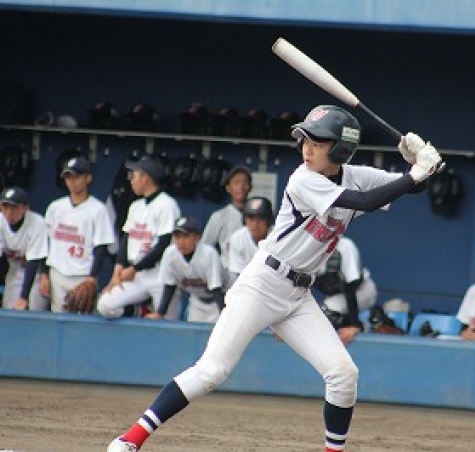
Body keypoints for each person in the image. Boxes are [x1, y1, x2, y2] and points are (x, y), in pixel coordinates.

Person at [107, 104, 442, 451]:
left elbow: (405, 188)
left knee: (344, 375)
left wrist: (419, 165)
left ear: (341, 149)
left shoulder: (356, 175)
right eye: (305, 140)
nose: (307, 149)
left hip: (299, 296)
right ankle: (130, 440)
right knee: (212, 371)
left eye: (317, 142)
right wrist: (415, 173)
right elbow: (366, 201)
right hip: (263, 283)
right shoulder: (302, 179)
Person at [97, 155, 182, 320]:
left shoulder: (167, 205)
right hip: (137, 276)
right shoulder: (135, 206)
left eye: (134, 175)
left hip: (161, 275)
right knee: (105, 305)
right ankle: (137, 312)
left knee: (167, 323)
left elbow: (163, 245)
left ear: (146, 178)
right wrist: (117, 271)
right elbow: (125, 241)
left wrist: (134, 269)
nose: (131, 180)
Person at [42, 155, 115, 313]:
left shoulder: (98, 209)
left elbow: (101, 247)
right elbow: (44, 243)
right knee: (58, 320)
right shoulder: (55, 207)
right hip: (57, 272)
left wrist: (92, 277)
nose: (72, 181)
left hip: (83, 276)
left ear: (88, 178)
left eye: (77, 177)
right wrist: (43, 274)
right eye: (68, 177)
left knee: (84, 320)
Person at [145, 217, 224, 323]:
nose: (181, 242)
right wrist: (160, 313)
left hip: (222, 300)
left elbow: (216, 290)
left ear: (197, 237)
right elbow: (169, 285)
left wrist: (225, 314)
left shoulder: (209, 254)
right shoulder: (170, 254)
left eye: (186, 236)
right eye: (177, 237)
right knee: (193, 332)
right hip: (198, 301)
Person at [315, 236, 377, 344]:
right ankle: (354, 323)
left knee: (328, 314)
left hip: (362, 291)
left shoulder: (345, 246)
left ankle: (361, 326)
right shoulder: (308, 247)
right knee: (316, 317)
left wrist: (354, 326)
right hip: (336, 295)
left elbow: (350, 286)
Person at [201, 165, 252, 289]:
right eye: (236, 183)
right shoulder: (219, 216)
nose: (240, 187)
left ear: (250, 187)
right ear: (228, 188)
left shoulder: (259, 215)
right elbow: (205, 248)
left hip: (252, 273)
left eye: (245, 183)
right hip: (228, 274)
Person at [0, 186, 49, 311]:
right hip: (14, 270)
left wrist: (23, 298)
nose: (9, 212)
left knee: (35, 311)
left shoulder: (37, 222)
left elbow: (34, 261)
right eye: (5, 206)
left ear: (25, 208)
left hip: (37, 273)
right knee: (10, 312)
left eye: (14, 207)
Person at [226, 195, 274, 286]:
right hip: (247, 284)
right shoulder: (237, 238)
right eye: (251, 218)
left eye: (261, 218)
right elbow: (237, 274)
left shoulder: (278, 237)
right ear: (245, 220)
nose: (255, 224)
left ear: (268, 220)